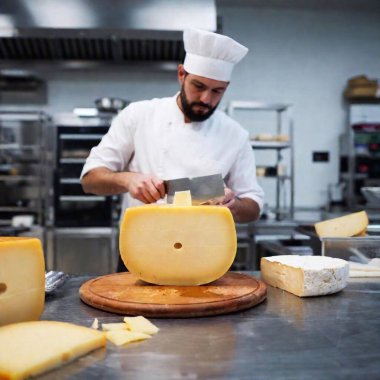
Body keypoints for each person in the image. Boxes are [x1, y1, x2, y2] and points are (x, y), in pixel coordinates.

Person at [81, 28, 264, 272]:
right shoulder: (139, 115)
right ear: (181, 74)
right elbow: (90, 180)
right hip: (140, 253)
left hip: (204, 257)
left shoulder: (235, 135)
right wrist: (128, 179)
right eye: (198, 86)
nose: (206, 99)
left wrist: (235, 205)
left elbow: (253, 205)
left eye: (217, 91)